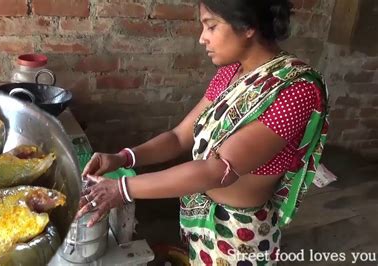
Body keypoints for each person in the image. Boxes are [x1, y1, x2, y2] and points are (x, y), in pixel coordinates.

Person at [77, 0, 329, 265]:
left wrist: (123, 188)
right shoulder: (231, 73)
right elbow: (178, 137)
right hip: (200, 218)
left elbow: (217, 171)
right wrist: (123, 158)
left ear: (248, 26)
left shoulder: (295, 91)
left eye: (211, 26)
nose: (202, 38)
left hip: (238, 235)